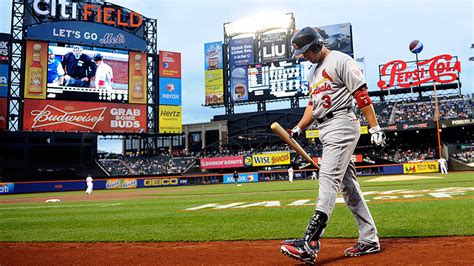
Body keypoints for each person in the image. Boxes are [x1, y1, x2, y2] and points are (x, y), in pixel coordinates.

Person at [280, 27, 386, 264]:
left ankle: (310, 242)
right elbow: (312, 105)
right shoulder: (312, 73)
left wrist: (374, 127)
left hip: (341, 122)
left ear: (317, 45)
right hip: (324, 127)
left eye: (307, 52)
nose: (305, 57)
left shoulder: (340, 60)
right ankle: (369, 239)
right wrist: (299, 128)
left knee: (328, 180)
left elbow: (361, 93)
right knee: (348, 187)